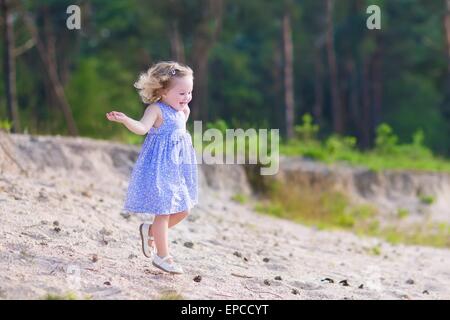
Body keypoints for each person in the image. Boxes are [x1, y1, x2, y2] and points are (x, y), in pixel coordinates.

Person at [106, 61, 198, 274]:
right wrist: (126, 120)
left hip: (176, 170)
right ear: (163, 92)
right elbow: (141, 128)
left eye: (190, 92)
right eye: (182, 93)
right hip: (158, 169)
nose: (187, 98)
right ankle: (162, 256)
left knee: (184, 209)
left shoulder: (184, 112)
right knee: (163, 213)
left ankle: (150, 231)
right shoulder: (156, 110)